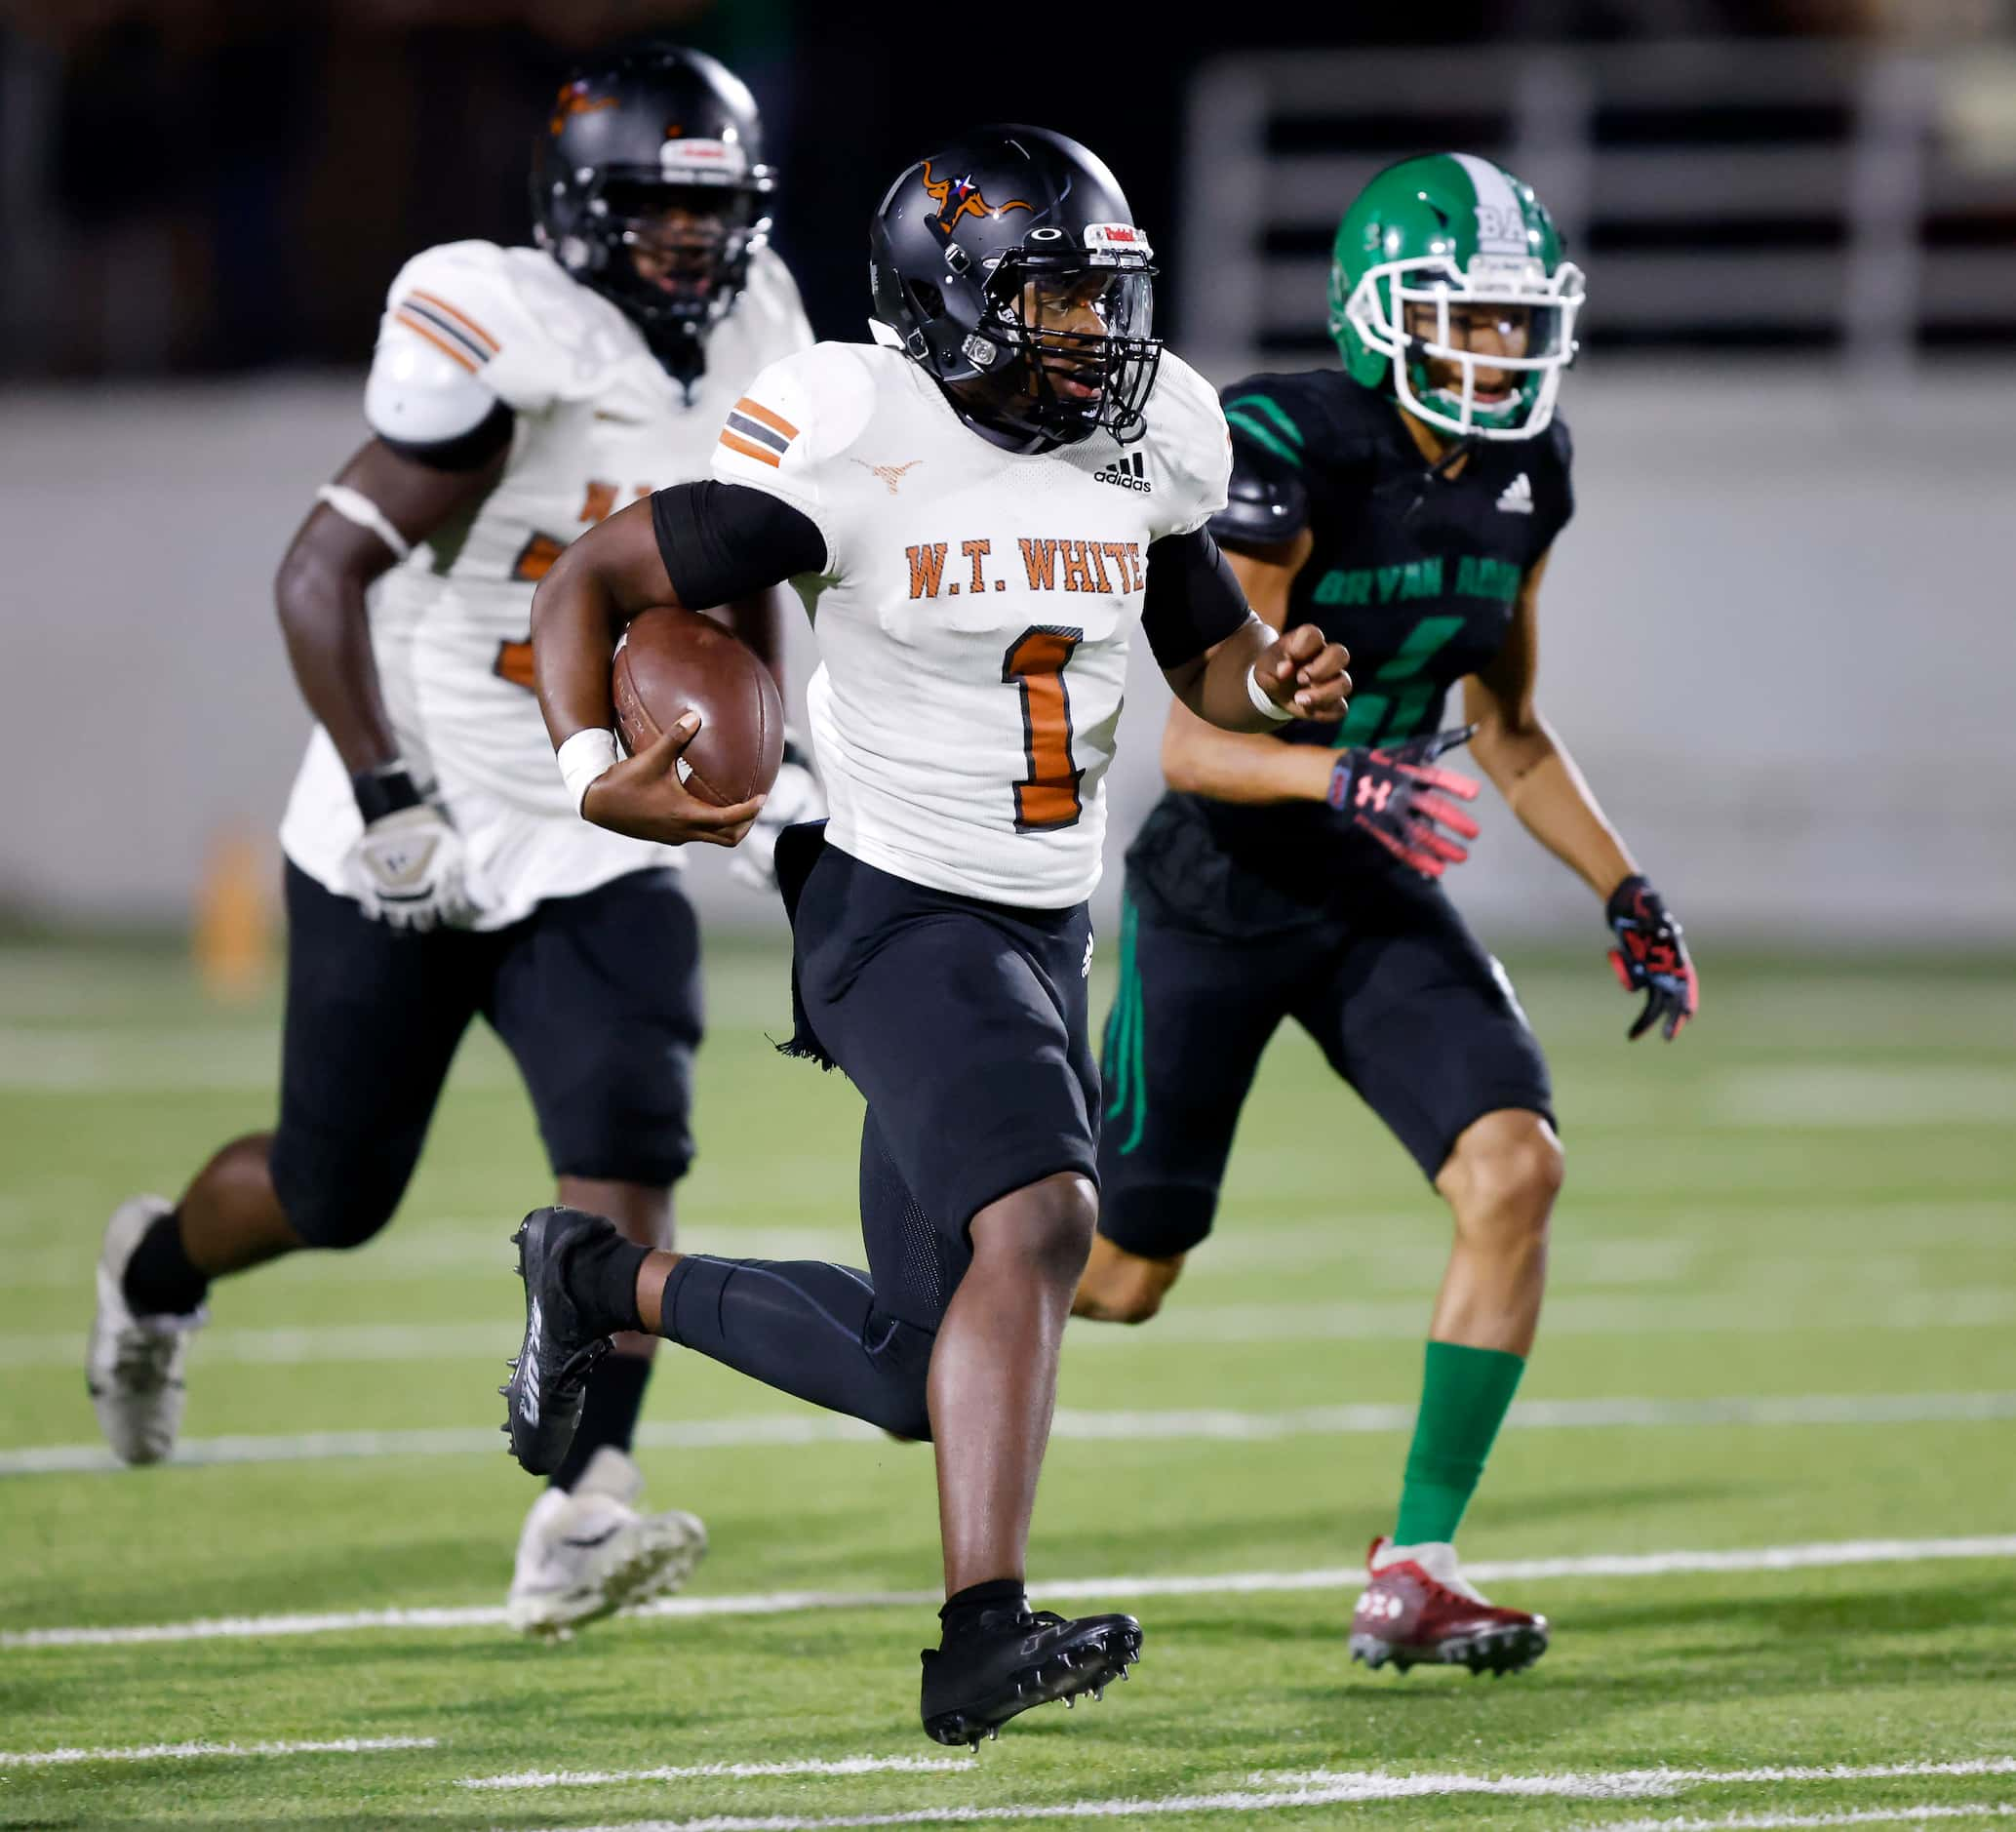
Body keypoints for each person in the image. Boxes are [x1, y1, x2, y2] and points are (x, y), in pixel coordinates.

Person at [495, 124, 1351, 1745]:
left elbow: (1206, 658)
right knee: (1040, 1218)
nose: (1099, 337)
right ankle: (978, 1638)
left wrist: (1275, 685)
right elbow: (587, 583)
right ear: (948, 305)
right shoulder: (852, 431)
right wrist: (590, 775)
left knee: (911, 1363)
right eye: (1053, 303)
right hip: (890, 901)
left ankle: (598, 1277)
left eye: (1107, 301)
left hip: (1045, 923)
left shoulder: (1148, 436)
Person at [84, 39, 820, 1640]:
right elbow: (314, 578)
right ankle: (155, 1275)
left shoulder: (762, 329)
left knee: (633, 1138)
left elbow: (747, 552)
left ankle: (582, 1510)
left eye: (714, 216)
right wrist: (385, 794)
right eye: (654, 214)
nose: (692, 249)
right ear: (574, 213)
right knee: (335, 1188)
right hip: (412, 800)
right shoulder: (508, 337)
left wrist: (784, 745)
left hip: (594, 811)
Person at [1070, 152, 1699, 1677]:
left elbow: (1510, 728)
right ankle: (899, 1289)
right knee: (1117, 1276)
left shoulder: (1530, 466)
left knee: (1512, 1167)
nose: (1495, 354)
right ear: (1380, 312)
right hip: (1222, 878)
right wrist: (1338, 771)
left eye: (1510, 325)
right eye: (1464, 320)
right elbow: (1191, 739)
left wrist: (1619, 883)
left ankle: (1416, 1562)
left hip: (1369, 875)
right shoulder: (1286, 440)